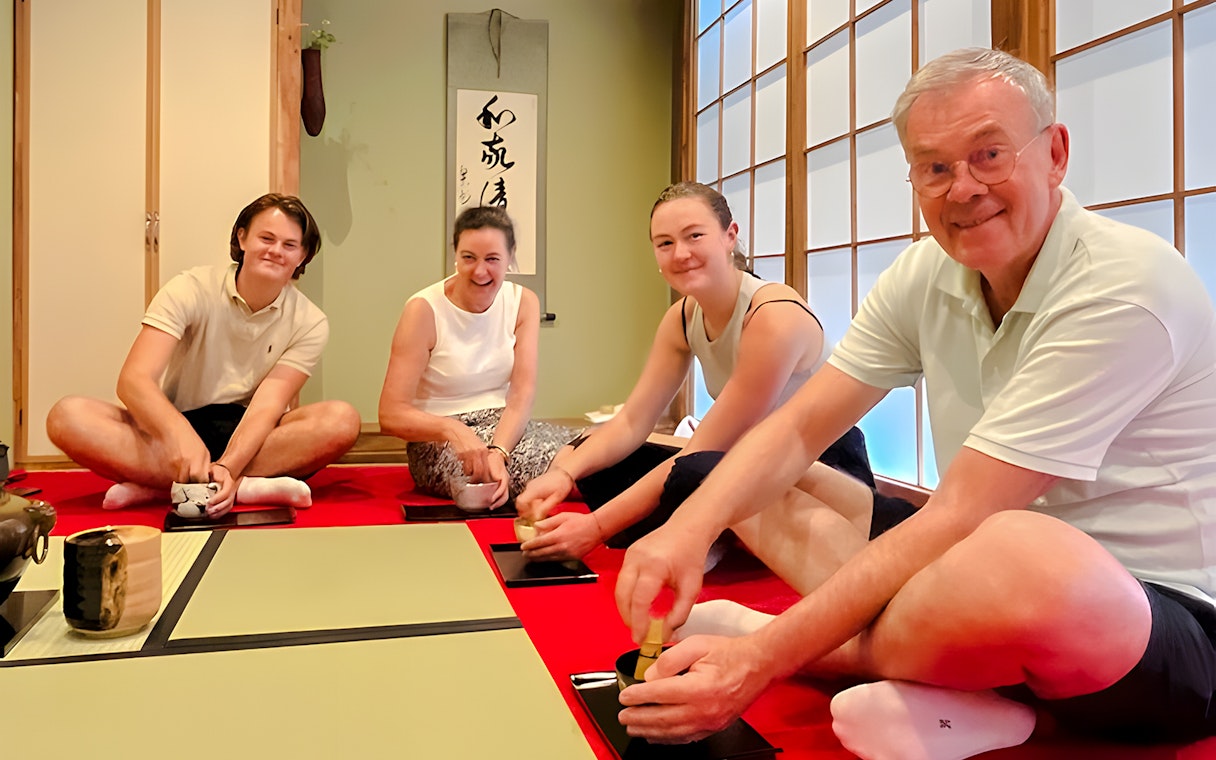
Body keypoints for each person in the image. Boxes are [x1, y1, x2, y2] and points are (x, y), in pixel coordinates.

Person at [613, 47, 1216, 759]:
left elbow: (966, 511)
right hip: (966, 573)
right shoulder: (928, 271)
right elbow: (802, 426)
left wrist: (762, 651)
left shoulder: (1126, 284)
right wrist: (689, 527)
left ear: (1054, 153)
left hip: (1155, 621)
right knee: (751, 480)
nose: (962, 188)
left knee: (1023, 552)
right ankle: (984, 707)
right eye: (934, 167)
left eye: (989, 154)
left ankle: (832, 656)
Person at [517, 182, 884, 562]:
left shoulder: (774, 316)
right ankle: (725, 535)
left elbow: (708, 448)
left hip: (821, 466)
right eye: (665, 243)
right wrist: (564, 473)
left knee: (698, 469)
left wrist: (596, 527)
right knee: (596, 457)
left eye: (694, 236)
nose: (681, 254)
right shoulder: (683, 317)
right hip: (743, 458)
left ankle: (721, 536)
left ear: (730, 236)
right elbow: (631, 423)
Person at [46, 194, 360, 518]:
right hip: (176, 426)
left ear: (303, 256)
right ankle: (244, 486)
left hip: (250, 433)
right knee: (67, 416)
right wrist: (180, 436)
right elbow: (134, 381)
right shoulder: (191, 288)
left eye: (289, 245)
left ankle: (177, 484)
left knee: (341, 419)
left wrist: (230, 464)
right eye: (266, 238)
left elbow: (268, 406)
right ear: (242, 237)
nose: (275, 251)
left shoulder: (310, 321)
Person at [378, 206, 582, 508]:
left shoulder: (523, 301)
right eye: (469, 258)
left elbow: (522, 393)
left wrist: (499, 450)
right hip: (439, 442)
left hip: (506, 429)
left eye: (493, 259)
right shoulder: (423, 309)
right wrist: (452, 429)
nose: (480, 271)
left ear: (510, 257)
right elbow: (390, 414)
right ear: (455, 255)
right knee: (579, 476)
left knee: (596, 450)